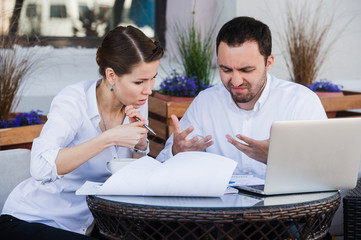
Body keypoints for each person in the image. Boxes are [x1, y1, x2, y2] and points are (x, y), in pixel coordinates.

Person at [0, 25, 164, 239]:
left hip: (90, 225)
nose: (149, 89)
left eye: (153, 78)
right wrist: (109, 138)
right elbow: (40, 166)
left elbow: (128, 174)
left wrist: (140, 144)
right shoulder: (73, 101)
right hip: (33, 220)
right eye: (140, 81)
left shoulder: (135, 99)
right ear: (112, 75)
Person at [156, 16, 326, 178]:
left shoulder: (301, 102)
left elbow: (326, 174)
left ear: (269, 63)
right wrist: (176, 153)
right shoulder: (205, 102)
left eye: (246, 70)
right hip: (218, 208)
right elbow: (162, 165)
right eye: (226, 70)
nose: (236, 82)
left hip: (285, 208)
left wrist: (277, 159)